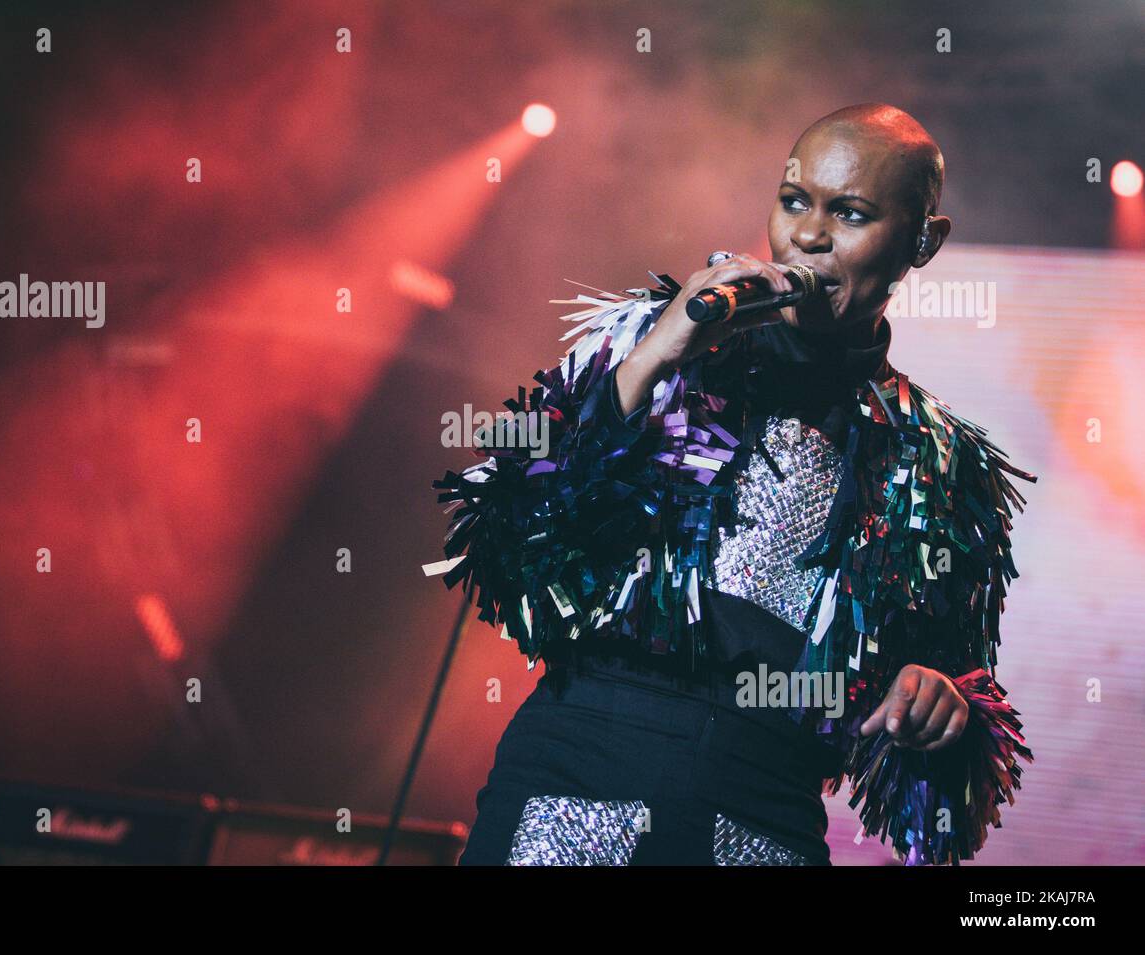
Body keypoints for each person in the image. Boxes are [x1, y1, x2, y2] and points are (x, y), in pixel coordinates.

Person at [431, 103, 1036, 866]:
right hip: (569, 779)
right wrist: (653, 360)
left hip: (761, 815)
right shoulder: (651, 342)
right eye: (793, 202)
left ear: (923, 241)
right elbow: (500, 544)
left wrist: (941, 707)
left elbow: (945, 804)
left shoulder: (943, 464)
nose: (807, 235)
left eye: (849, 213)